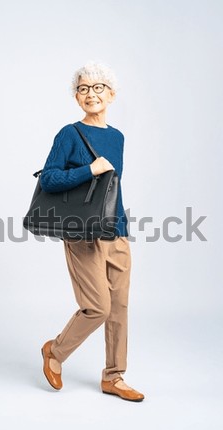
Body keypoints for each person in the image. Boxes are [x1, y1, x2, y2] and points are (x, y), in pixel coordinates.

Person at [40, 62, 144, 402]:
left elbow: (111, 189)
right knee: (97, 307)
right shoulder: (69, 134)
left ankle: (114, 376)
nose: (91, 94)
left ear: (112, 95)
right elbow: (49, 179)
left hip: (116, 230)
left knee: (119, 308)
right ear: (76, 96)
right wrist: (89, 168)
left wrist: (121, 228)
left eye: (98, 87)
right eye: (84, 88)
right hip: (83, 232)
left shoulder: (117, 137)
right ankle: (55, 351)